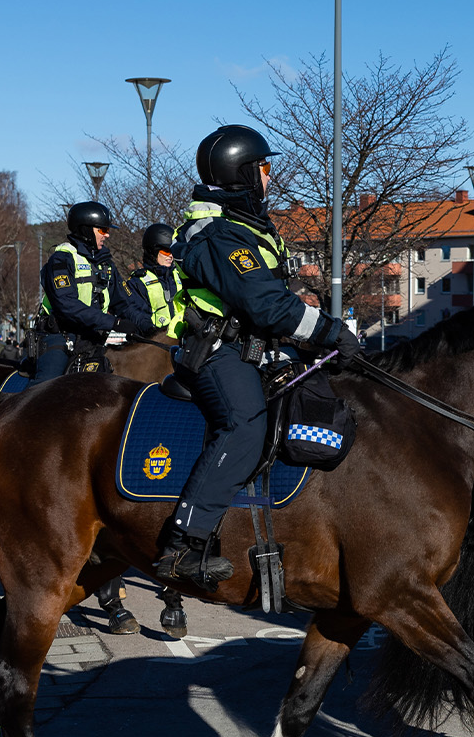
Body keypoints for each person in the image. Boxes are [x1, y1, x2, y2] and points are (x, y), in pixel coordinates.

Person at [156, 124, 360, 590]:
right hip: (217, 353)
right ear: (242, 173)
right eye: (264, 168)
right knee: (244, 424)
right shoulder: (218, 236)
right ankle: (183, 543)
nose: (270, 176)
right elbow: (265, 304)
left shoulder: (249, 227)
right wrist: (330, 330)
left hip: (258, 348)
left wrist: (316, 342)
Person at [31, 201, 151, 385]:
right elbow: (67, 305)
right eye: (102, 230)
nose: (107, 235)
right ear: (86, 229)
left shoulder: (106, 264)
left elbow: (124, 304)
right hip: (61, 337)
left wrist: (148, 328)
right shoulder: (62, 259)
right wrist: (114, 323)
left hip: (93, 339)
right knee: (45, 388)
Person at [124, 223, 182, 336]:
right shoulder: (138, 282)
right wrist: (152, 331)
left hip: (183, 339)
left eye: (172, 251)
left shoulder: (180, 276)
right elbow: (135, 314)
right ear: (153, 252)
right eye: (166, 251)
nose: (171, 255)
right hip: (154, 341)